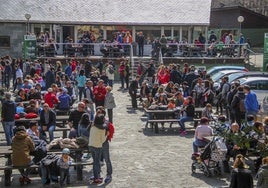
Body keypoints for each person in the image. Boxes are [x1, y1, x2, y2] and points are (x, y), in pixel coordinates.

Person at [88, 109, 107, 184]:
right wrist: (107, 135)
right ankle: (96, 177)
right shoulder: (102, 130)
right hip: (98, 146)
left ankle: (97, 175)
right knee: (96, 162)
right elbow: (103, 140)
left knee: (95, 161)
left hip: (91, 145)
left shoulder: (92, 126)